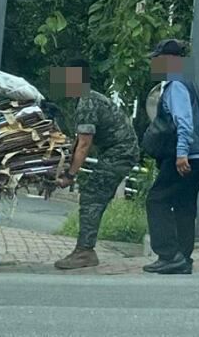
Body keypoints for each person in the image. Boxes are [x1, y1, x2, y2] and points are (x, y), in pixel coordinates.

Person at [53, 60, 139, 270]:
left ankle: (85, 251)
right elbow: (78, 141)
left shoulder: (87, 102)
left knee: (92, 196)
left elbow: (84, 144)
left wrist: (71, 175)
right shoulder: (87, 99)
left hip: (120, 152)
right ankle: (84, 248)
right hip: (118, 151)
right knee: (93, 194)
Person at [142, 39, 199, 275]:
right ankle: (184, 258)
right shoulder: (191, 84)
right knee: (184, 204)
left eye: (157, 59)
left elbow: (184, 122)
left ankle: (169, 255)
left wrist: (182, 153)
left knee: (156, 199)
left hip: (184, 156)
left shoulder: (175, 85)